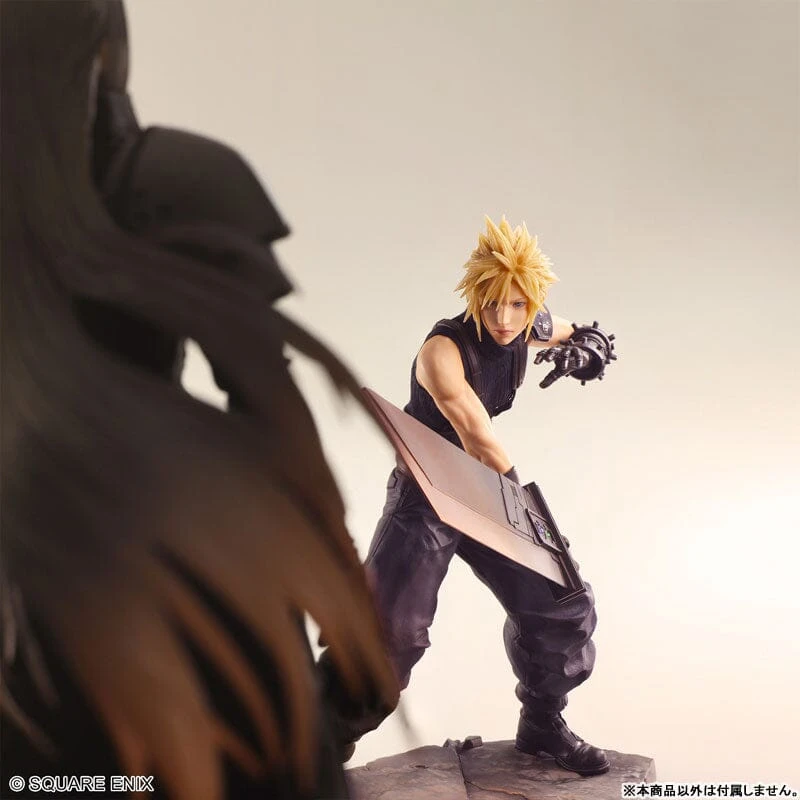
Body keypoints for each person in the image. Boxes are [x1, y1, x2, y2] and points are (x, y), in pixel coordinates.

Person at [0, 2, 397, 799]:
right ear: (102, 50)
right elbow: (272, 409)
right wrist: (349, 619)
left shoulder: (148, 181)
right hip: (168, 569)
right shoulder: (167, 178)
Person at [321, 216, 616, 777]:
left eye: (517, 305)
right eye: (492, 304)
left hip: (481, 491)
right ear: (475, 297)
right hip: (428, 494)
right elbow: (479, 440)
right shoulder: (443, 352)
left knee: (562, 606)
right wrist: (533, 521)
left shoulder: (528, 322)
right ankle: (314, 745)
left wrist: (585, 351)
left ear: (532, 302)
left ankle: (542, 725)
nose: (504, 319)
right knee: (390, 637)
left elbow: (581, 333)